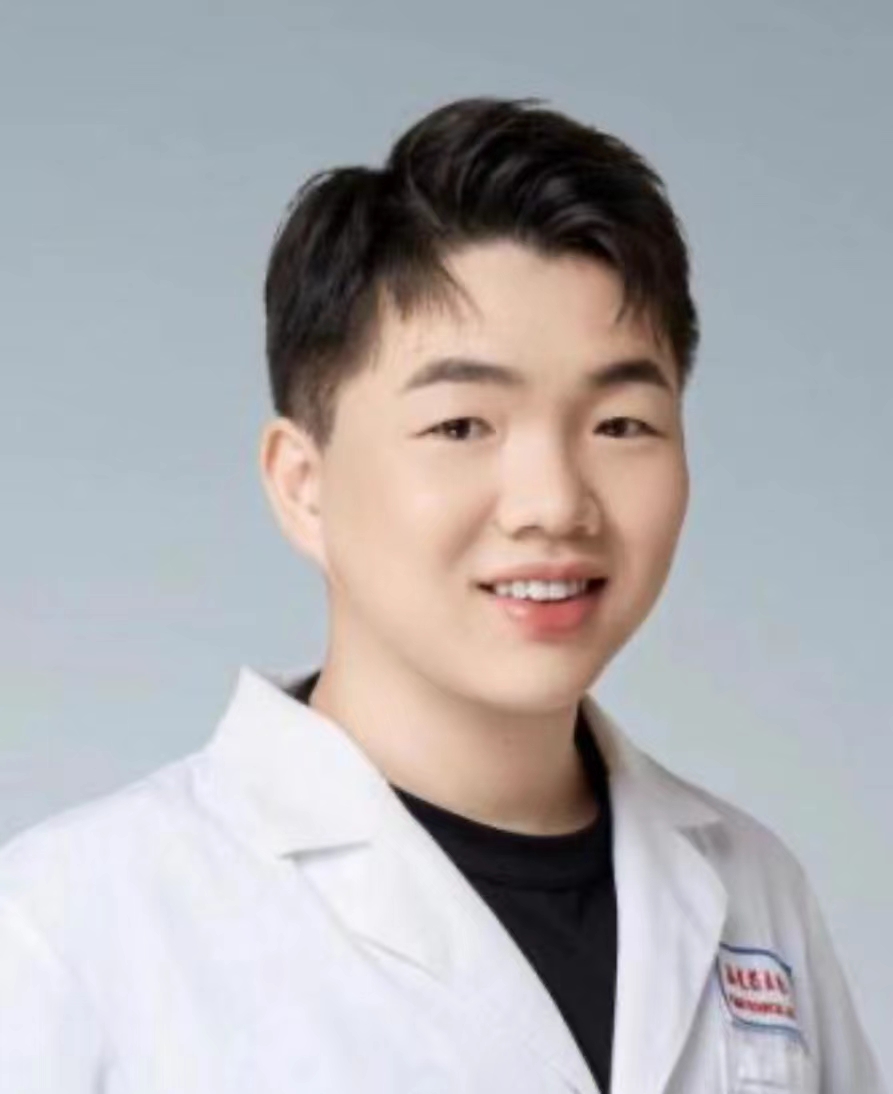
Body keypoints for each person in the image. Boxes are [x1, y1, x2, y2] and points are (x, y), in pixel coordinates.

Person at [0, 97, 884, 1094]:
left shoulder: (752, 893)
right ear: (303, 484)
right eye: (462, 426)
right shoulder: (70, 928)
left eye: (620, 424)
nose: (553, 503)